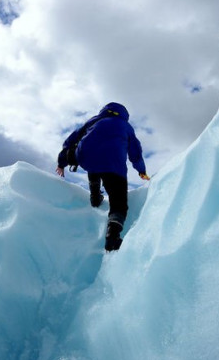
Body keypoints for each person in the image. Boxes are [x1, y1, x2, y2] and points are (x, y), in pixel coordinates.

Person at [56, 102, 150, 251]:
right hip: (113, 165)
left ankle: (95, 196)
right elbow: (135, 153)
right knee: (118, 203)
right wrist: (141, 171)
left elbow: (71, 139)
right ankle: (112, 237)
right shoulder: (126, 127)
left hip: (86, 158)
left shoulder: (94, 120)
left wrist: (61, 163)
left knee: (94, 161)